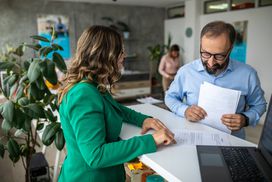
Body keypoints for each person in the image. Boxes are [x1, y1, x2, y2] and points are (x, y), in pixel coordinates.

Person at [57, 26, 175, 182]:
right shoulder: (83, 94)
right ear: (106, 56)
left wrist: (144, 120)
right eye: (120, 52)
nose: (123, 56)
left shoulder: (92, 84)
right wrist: (152, 140)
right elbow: (96, 155)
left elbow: (115, 108)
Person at [165, 21, 266, 139]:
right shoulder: (186, 72)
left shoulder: (248, 74)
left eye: (219, 56)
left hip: (232, 142)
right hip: (192, 138)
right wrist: (185, 110)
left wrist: (246, 118)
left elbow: (259, 105)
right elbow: (170, 97)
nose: (211, 62)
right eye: (206, 54)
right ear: (200, 46)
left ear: (230, 49)